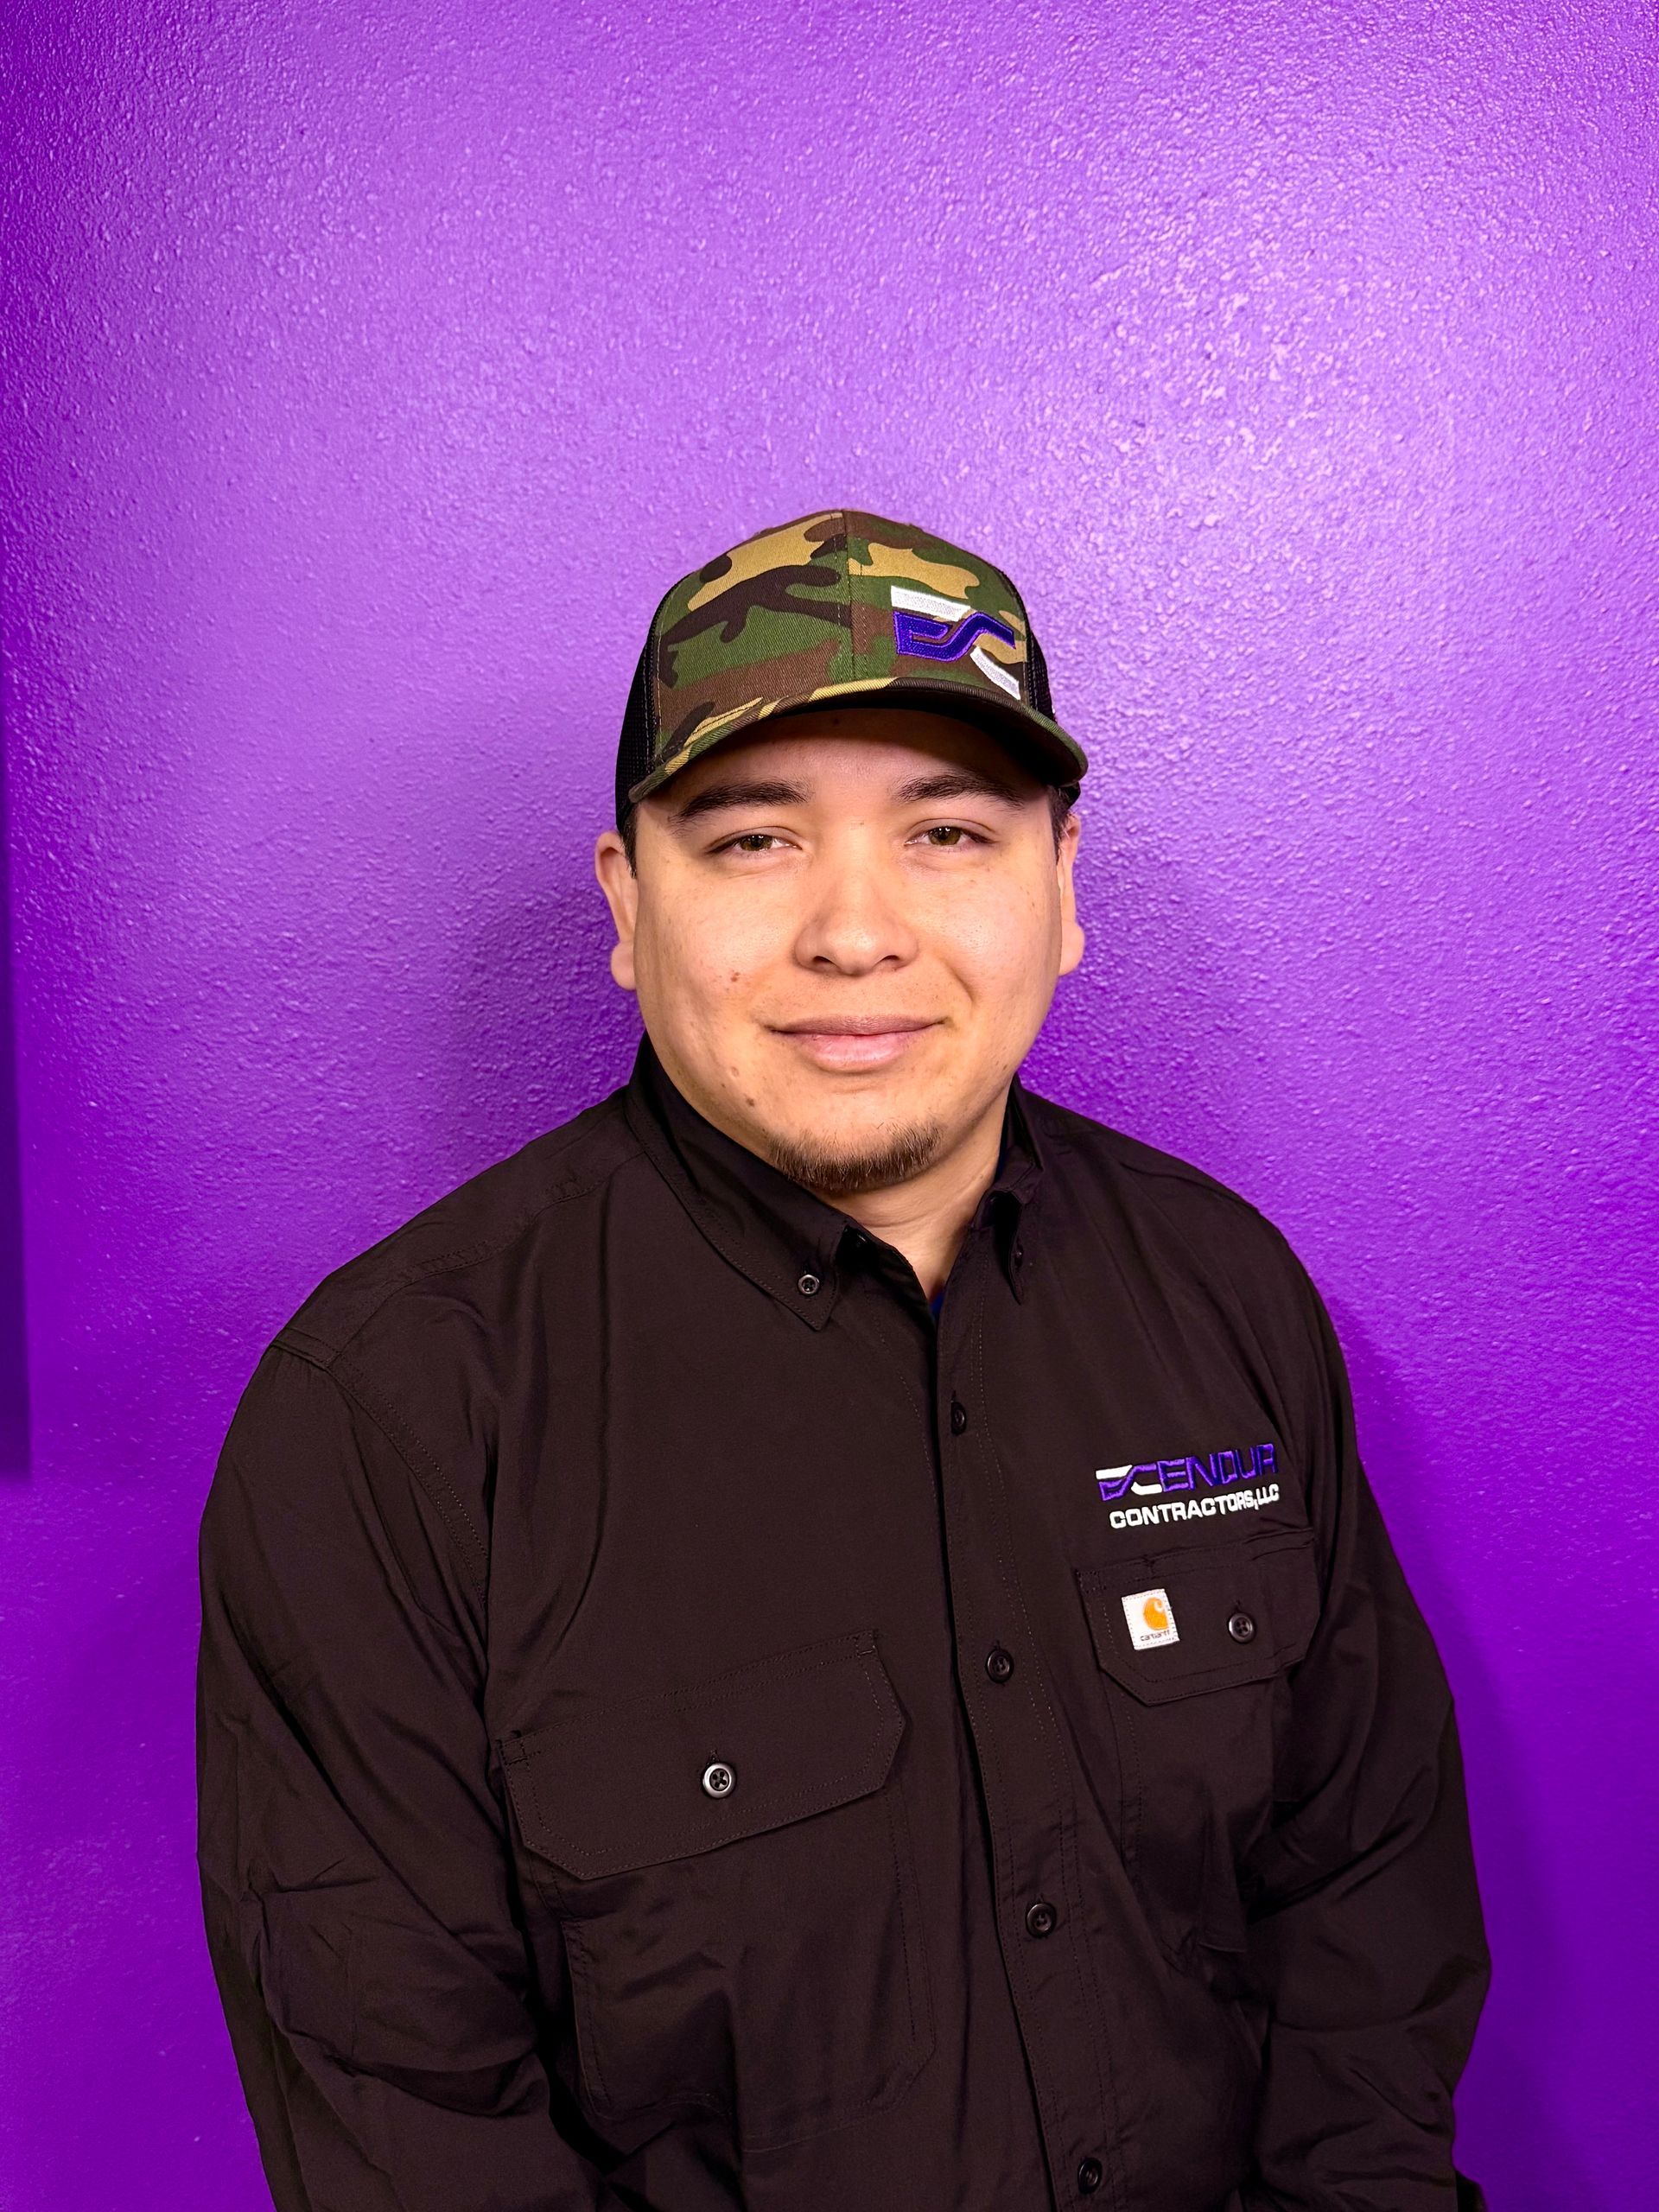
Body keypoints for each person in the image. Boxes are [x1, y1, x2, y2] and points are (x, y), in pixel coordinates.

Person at [197, 508, 1490, 2212]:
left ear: (1062, 884)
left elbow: (1366, 1906)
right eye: (750, 840)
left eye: (949, 830)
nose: (856, 931)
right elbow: (414, 2125)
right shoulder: (391, 1424)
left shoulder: (1223, 1294)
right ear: (626, 898)